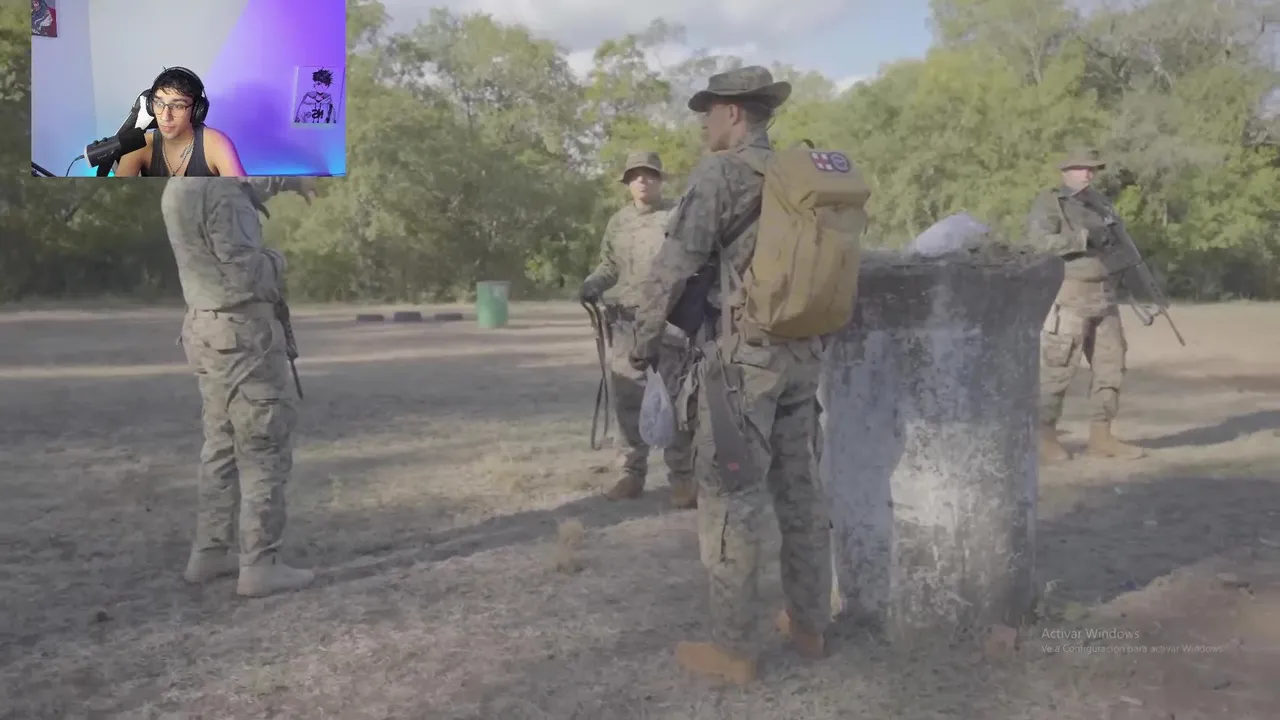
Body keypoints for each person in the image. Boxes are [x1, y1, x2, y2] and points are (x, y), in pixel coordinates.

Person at [627, 67, 832, 685]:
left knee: (729, 501)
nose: (703, 123)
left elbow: (672, 267)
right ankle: (809, 625)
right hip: (803, 354)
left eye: (708, 112)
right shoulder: (799, 173)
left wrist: (641, 342)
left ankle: (734, 650)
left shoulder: (722, 174)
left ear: (734, 113)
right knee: (801, 491)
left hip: (745, 365)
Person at [163, 176, 316, 598]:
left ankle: (210, 552)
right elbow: (247, 272)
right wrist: (279, 261)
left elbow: (239, 192)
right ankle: (260, 564)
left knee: (222, 443)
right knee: (264, 444)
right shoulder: (221, 191)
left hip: (207, 330)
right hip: (242, 334)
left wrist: (287, 182)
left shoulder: (180, 185)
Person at [578, 151, 696, 509]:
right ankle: (631, 473)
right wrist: (592, 283)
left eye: (649, 174)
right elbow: (609, 266)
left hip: (671, 322)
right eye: (635, 175)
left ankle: (684, 478)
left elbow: (693, 261)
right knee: (628, 398)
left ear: (660, 179)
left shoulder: (678, 215)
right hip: (627, 322)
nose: (643, 180)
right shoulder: (619, 222)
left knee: (676, 401)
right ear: (628, 183)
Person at [1028, 148, 1146, 462]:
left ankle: (1101, 436)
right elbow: (1039, 243)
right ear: (1066, 171)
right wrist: (1083, 238)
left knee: (1111, 365)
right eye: (1081, 168)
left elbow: (1118, 243)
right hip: (1070, 294)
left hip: (1104, 294)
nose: (1088, 174)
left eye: (1092, 169)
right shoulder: (1050, 202)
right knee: (1058, 367)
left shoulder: (1101, 204)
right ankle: (1044, 438)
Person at [116, 67, 246, 177]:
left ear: (196, 110)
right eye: (159, 104)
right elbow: (116, 196)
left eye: (178, 106)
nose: (165, 117)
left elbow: (244, 194)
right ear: (150, 106)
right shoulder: (140, 145)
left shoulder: (216, 143)